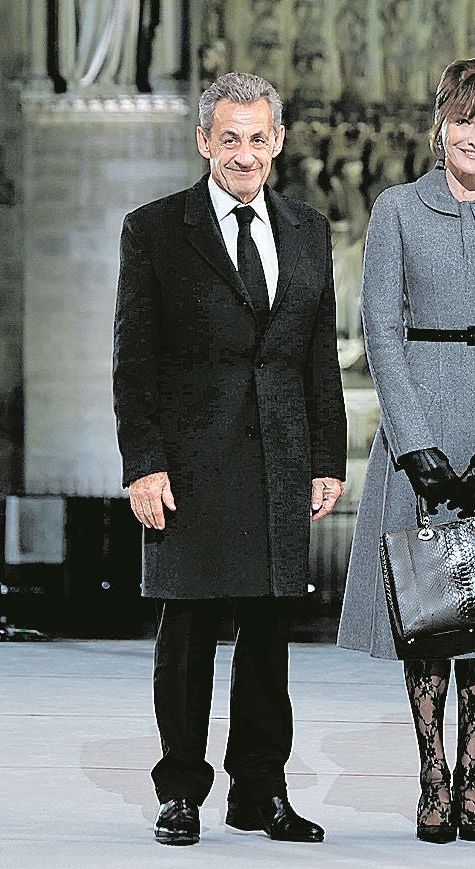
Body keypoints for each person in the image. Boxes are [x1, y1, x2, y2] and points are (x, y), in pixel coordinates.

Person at [112, 71, 347, 847]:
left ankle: (258, 791)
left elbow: (317, 353)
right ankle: (180, 789)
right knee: (186, 631)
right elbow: (133, 360)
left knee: (268, 632)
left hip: (279, 455)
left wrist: (326, 454)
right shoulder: (154, 229)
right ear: (204, 141)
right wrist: (142, 461)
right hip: (187, 463)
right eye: (229, 138)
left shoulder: (309, 229)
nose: (244, 153)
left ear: (277, 140)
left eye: (258, 137)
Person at [336, 58, 475, 845]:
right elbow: (380, 331)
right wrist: (415, 445)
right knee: (430, 612)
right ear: (438, 126)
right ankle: (430, 773)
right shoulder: (396, 210)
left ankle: (471, 778)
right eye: (462, 118)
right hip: (420, 427)